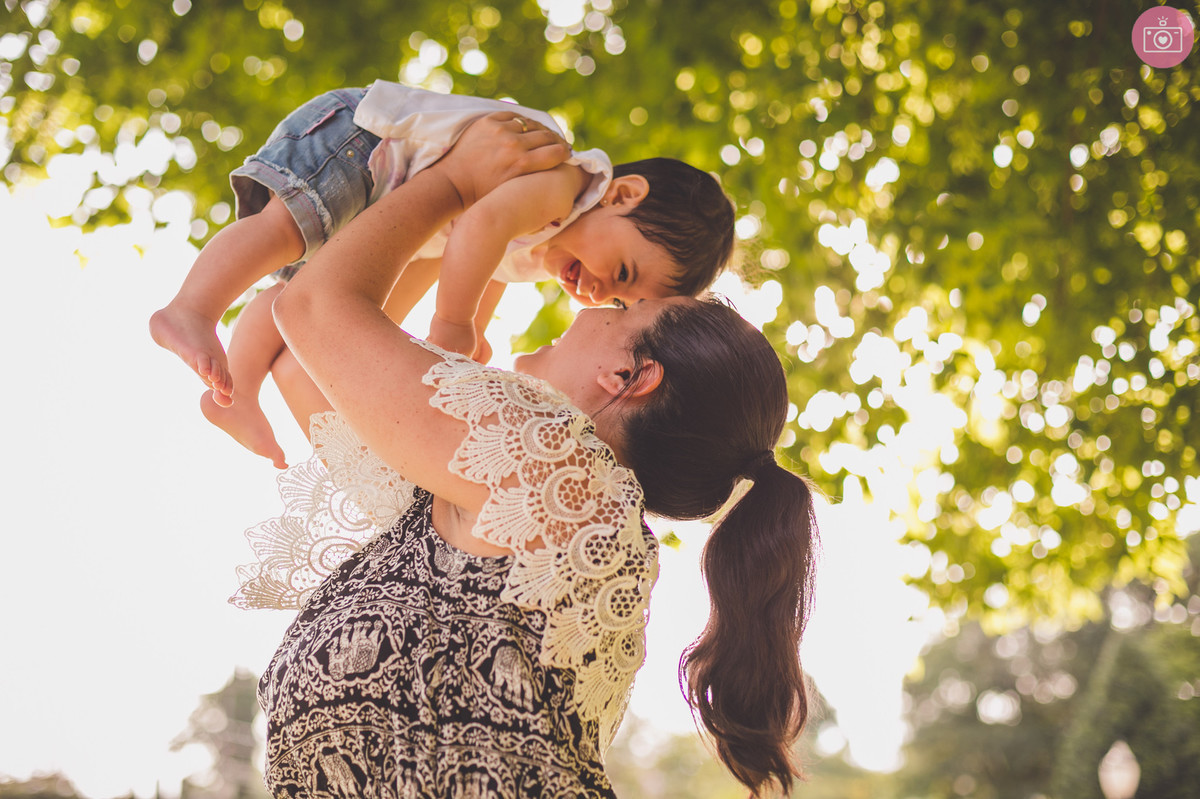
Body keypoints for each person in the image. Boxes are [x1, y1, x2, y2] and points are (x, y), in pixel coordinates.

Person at [231, 114, 817, 797]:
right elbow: (308, 356)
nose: (590, 306)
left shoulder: (561, 475)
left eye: (623, 307)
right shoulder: (502, 497)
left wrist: (455, 182)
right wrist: (454, 228)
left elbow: (314, 308)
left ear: (630, 376)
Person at [150, 82, 734, 469]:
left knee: (292, 295)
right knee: (284, 229)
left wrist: (472, 341)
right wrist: (453, 323)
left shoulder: (542, 248)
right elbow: (480, 229)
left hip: (389, 193)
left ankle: (238, 392)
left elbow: (491, 268)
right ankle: (191, 310)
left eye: (622, 300)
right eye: (624, 270)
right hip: (365, 141)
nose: (601, 293)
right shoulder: (562, 182)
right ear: (623, 196)